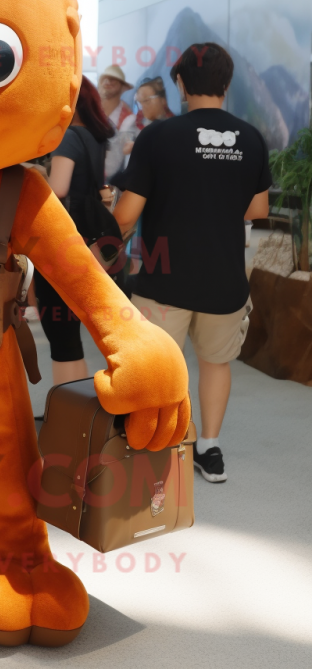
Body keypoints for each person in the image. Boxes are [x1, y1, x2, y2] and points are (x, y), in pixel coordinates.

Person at [113, 43, 271, 483]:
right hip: (225, 279)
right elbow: (258, 209)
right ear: (227, 83)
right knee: (216, 363)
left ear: (180, 84)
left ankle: (161, 449)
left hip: (163, 279)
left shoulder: (157, 137)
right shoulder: (251, 138)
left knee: (158, 368)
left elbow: (126, 216)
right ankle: (209, 448)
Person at [34, 76, 115, 386]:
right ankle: (78, 406)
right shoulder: (94, 136)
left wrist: (35, 173)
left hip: (63, 242)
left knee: (62, 341)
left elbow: (59, 188)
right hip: (92, 240)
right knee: (70, 336)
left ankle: (66, 407)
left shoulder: (68, 137)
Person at [98, 65, 136, 179]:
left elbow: (121, 157)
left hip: (112, 179)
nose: (107, 82)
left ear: (123, 87)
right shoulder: (92, 111)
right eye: (104, 79)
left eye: (113, 79)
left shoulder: (129, 119)